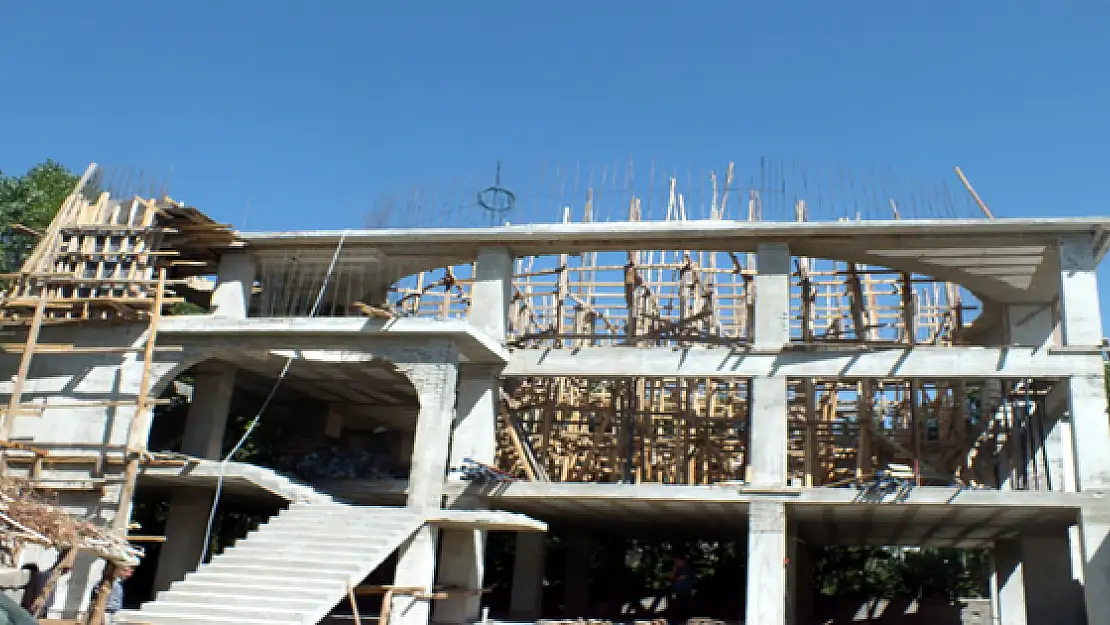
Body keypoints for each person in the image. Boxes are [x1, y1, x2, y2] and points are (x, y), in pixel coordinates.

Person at [669, 555, 695, 625]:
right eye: (676, 561)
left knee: (685, 606)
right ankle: (677, 621)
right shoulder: (677, 569)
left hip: (686, 590)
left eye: (678, 561)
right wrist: (674, 570)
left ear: (683, 561)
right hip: (677, 591)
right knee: (677, 607)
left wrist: (679, 578)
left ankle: (686, 620)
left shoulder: (689, 568)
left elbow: (685, 577)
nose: (676, 563)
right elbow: (671, 578)